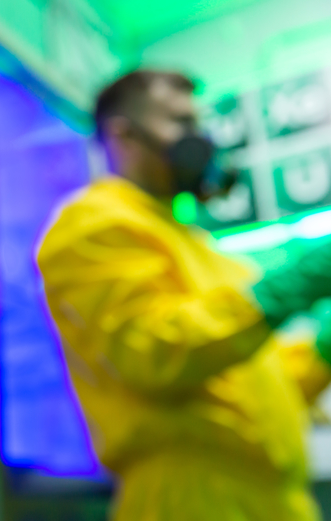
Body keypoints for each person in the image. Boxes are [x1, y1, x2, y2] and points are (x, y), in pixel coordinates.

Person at [36, 70, 331, 521]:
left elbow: (252, 386)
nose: (203, 139)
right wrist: (292, 284)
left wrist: (323, 351)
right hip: (192, 499)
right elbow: (154, 351)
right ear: (124, 135)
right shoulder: (94, 225)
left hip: (272, 498)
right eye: (181, 123)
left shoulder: (195, 243)